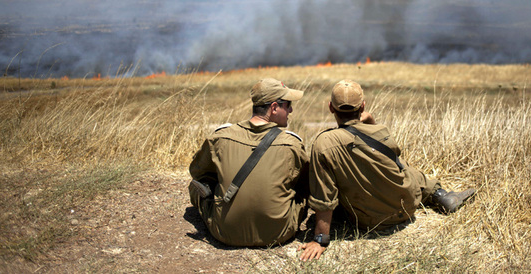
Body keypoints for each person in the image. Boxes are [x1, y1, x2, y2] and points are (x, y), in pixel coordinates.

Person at [299, 80, 475, 261]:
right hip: (407, 204)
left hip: (371, 221)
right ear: (362, 106)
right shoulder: (381, 131)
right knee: (407, 169)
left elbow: (324, 197)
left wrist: (320, 239)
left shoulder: (324, 143)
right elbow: (391, 155)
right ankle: (440, 194)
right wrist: (369, 119)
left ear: (331, 108)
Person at [188, 78, 309, 247]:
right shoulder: (292, 145)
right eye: (287, 104)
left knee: (196, 186)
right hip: (278, 234)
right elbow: (306, 184)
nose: (291, 109)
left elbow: (197, 172)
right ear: (274, 108)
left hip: (223, 231)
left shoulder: (221, 137)